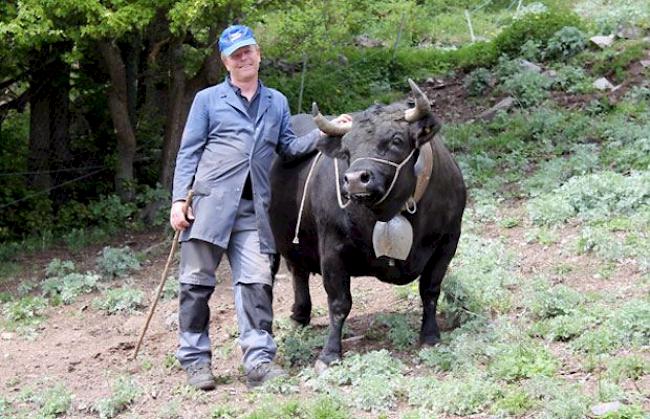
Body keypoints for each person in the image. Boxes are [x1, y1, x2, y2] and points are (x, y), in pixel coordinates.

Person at [169, 24, 351, 391]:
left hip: (255, 211)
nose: (244, 57)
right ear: (225, 62)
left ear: (258, 54)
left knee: (255, 284)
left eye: (248, 50)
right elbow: (188, 152)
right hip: (206, 206)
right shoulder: (207, 101)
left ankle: (258, 361)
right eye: (236, 54)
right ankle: (195, 361)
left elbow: (287, 147)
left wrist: (324, 134)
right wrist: (178, 200)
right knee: (195, 285)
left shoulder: (277, 102)